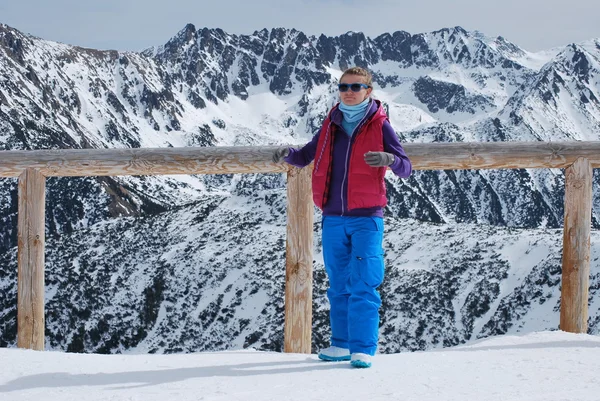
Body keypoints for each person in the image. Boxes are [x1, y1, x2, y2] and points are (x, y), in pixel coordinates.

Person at [272, 66, 412, 368]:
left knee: (364, 282)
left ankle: (363, 348)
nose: (349, 92)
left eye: (356, 87)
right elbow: (306, 154)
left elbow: (406, 166)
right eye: (344, 86)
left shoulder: (380, 125)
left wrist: (390, 159)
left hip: (366, 217)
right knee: (338, 284)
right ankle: (341, 344)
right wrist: (287, 153)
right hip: (333, 216)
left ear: (368, 92)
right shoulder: (331, 123)